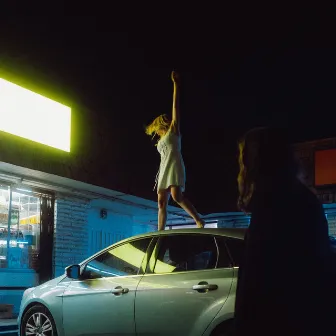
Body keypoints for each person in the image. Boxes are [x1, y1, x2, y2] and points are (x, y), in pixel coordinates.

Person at [234, 127, 335, 336]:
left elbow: (258, 291)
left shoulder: (271, 208)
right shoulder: (302, 200)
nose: (240, 170)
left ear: (255, 163)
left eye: (243, 161)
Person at [145, 71, 205, 231]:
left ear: (160, 124)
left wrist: (176, 85)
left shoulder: (173, 130)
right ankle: (160, 231)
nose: (155, 132)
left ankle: (199, 220)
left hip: (174, 165)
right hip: (164, 167)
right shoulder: (160, 139)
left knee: (177, 196)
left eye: (156, 128)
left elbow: (175, 106)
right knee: (161, 202)